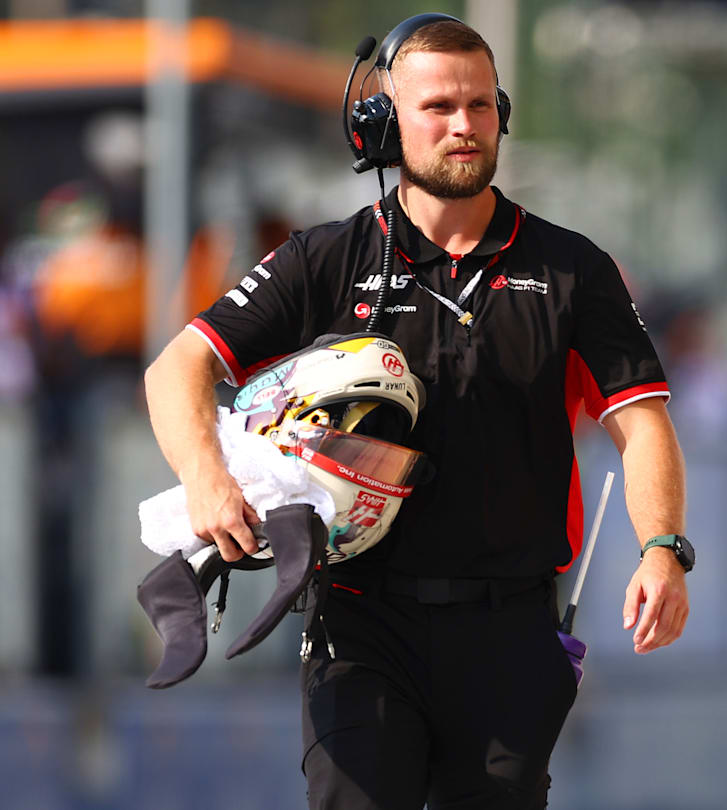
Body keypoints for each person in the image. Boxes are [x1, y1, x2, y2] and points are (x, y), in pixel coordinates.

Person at [143, 14, 694, 809]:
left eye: (479, 105)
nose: (463, 126)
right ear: (384, 124)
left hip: (510, 629)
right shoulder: (326, 257)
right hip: (360, 624)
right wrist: (205, 477)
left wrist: (663, 548)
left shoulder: (575, 269)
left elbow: (642, 423)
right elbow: (178, 366)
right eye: (437, 107)